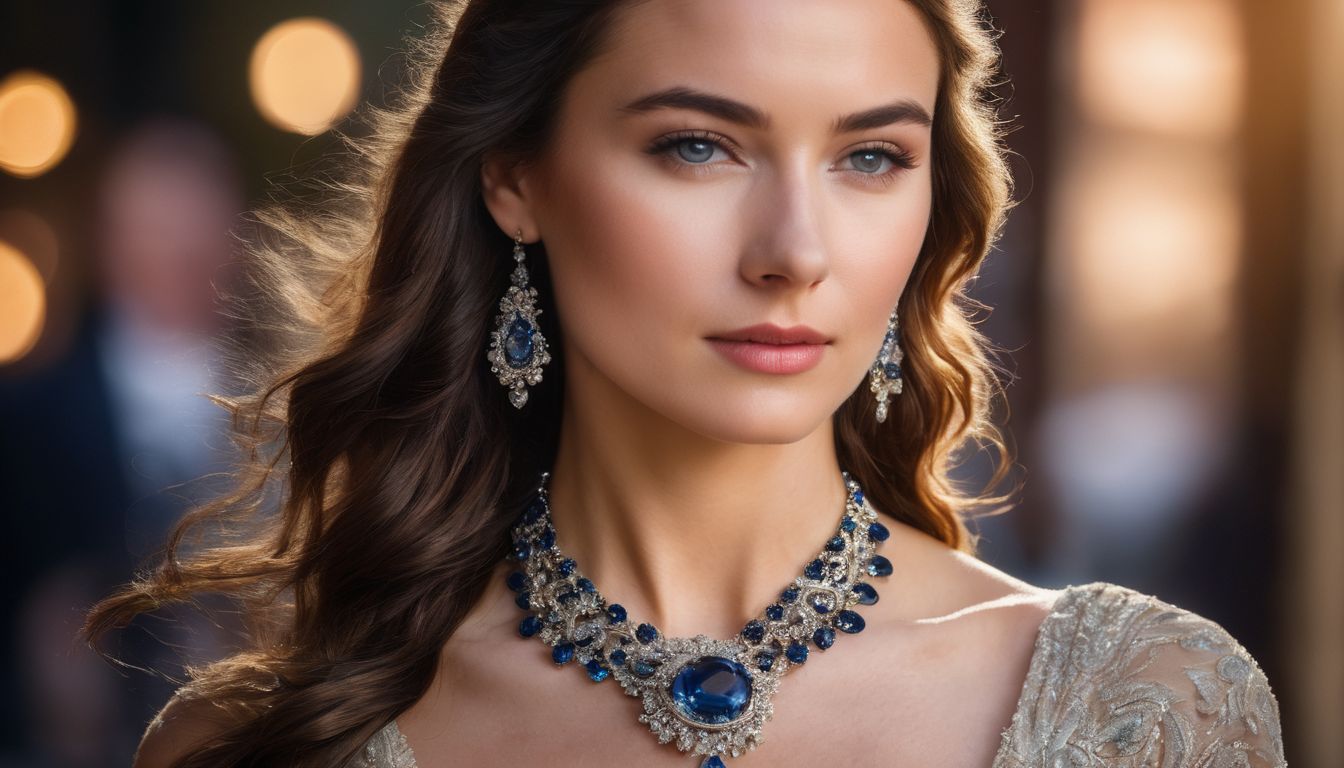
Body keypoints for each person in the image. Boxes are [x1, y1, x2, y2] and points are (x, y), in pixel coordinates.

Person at [84, 1, 1288, 766]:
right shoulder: (261, 745)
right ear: (517, 177)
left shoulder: (1144, 709)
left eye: (871, 157)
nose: (795, 251)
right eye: (698, 145)